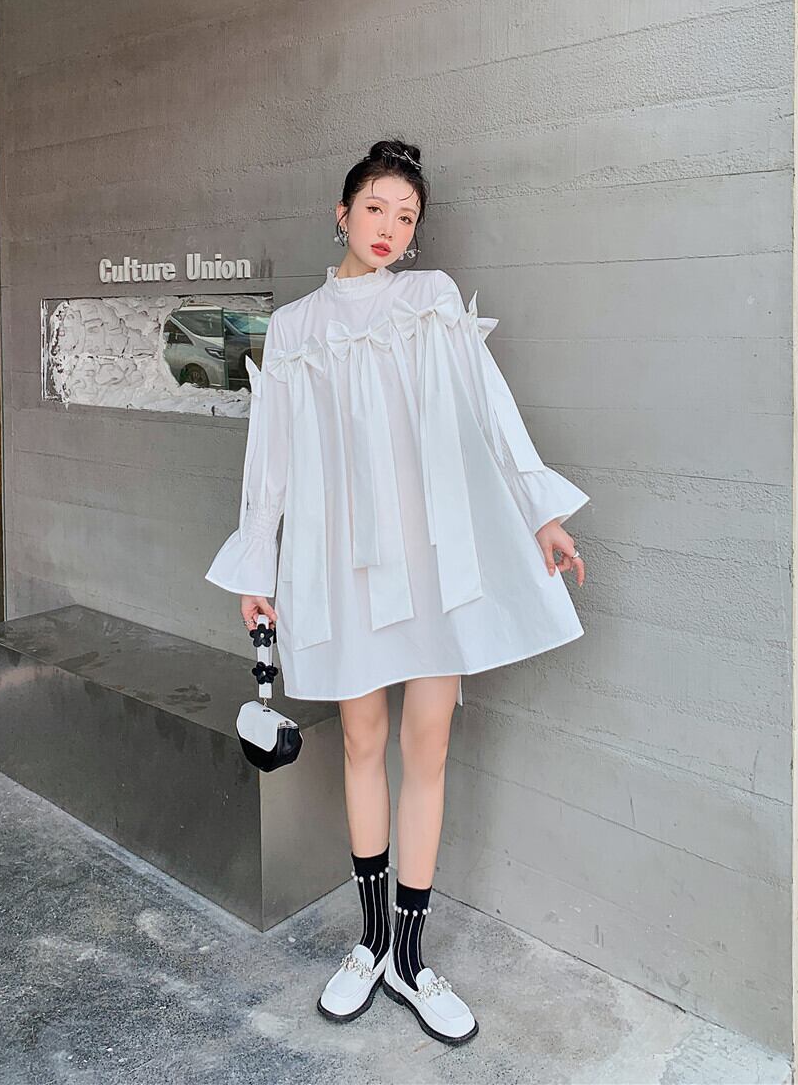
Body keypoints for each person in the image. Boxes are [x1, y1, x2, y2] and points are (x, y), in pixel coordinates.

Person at [204, 139, 589, 1046]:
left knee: (427, 746)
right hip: (339, 561)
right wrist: (255, 568)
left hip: (429, 561)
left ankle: (411, 959)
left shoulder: (430, 299)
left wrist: (539, 513)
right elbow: (272, 461)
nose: (389, 227)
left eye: (406, 216)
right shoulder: (294, 328)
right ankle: (369, 943)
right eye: (375, 207)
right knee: (360, 741)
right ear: (341, 214)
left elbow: (488, 406)